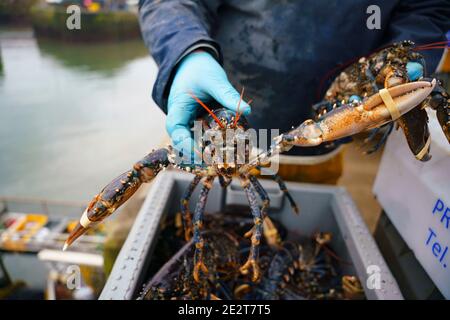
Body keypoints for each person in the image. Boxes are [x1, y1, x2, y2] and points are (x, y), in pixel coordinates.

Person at [137, 0, 449, 184]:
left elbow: (428, 8)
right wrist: (186, 52)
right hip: (207, 136)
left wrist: (411, 50)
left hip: (328, 135)